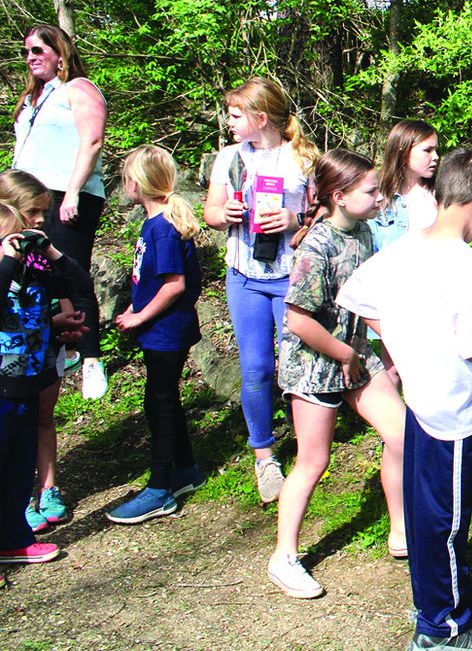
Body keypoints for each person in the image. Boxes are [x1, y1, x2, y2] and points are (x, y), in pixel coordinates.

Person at [337, 147, 472, 651]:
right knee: (446, 523)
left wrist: (403, 348)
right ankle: (443, 628)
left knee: (430, 514)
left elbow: (357, 297)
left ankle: (438, 605)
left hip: (420, 403)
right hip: (455, 413)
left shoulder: (400, 251)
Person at [266, 149, 406, 599]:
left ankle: (402, 530)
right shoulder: (316, 246)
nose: (380, 197)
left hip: (356, 357)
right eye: (370, 191)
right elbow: (297, 320)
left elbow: (367, 299)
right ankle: (284, 557)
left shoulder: (364, 232)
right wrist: (344, 353)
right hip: (313, 364)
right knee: (313, 460)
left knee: (403, 434)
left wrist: (386, 351)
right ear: (340, 196)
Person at [203, 77, 317, 503]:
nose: (228, 121)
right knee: (255, 369)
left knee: (295, 367)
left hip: (289, 276)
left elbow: (321, 214)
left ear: (260, 117)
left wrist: (294, 221)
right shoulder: (229, 158)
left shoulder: (301, 158)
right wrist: (222, 214)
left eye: (235, 115)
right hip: (245, 276)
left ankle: (310, 452)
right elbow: (210, 212)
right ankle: (264, 456)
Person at [107, 146, 206, 523]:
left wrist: (140, 317)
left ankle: (160, 489)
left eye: (126, 177)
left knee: (160, 405)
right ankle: (185, 470)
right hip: (157, 328)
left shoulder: (163, 228)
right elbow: (154, 281)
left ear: (138, 183)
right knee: (161, 401)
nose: (124, 184)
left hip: (166, 331)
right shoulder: (154, 223)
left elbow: (175, 285)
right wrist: (135, 309)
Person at [12, 27, 107, 397]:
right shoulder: (34, 98)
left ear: (59, 53)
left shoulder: (78, 89)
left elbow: (92, 140)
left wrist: (72, 193)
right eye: (26, 51)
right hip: (29, 195)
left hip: (67, 191)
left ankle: (92, 360)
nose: (31, 56)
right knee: (35, 272)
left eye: (38, 49)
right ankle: (58, 347)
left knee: (71, 269)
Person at [0, 203, 87, 566]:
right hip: (2, 385)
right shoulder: (5, 270)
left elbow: (78, 284)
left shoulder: (30, 269)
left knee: (19, 470)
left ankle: (12, 539)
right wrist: (6, 261)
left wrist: (48, 251)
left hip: (29, 380)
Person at [371, 119, 440, 251]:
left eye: (436, 150)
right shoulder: (379, 197)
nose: (435, 156)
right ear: (403, 152)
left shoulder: (439, 195)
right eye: (427, 150)